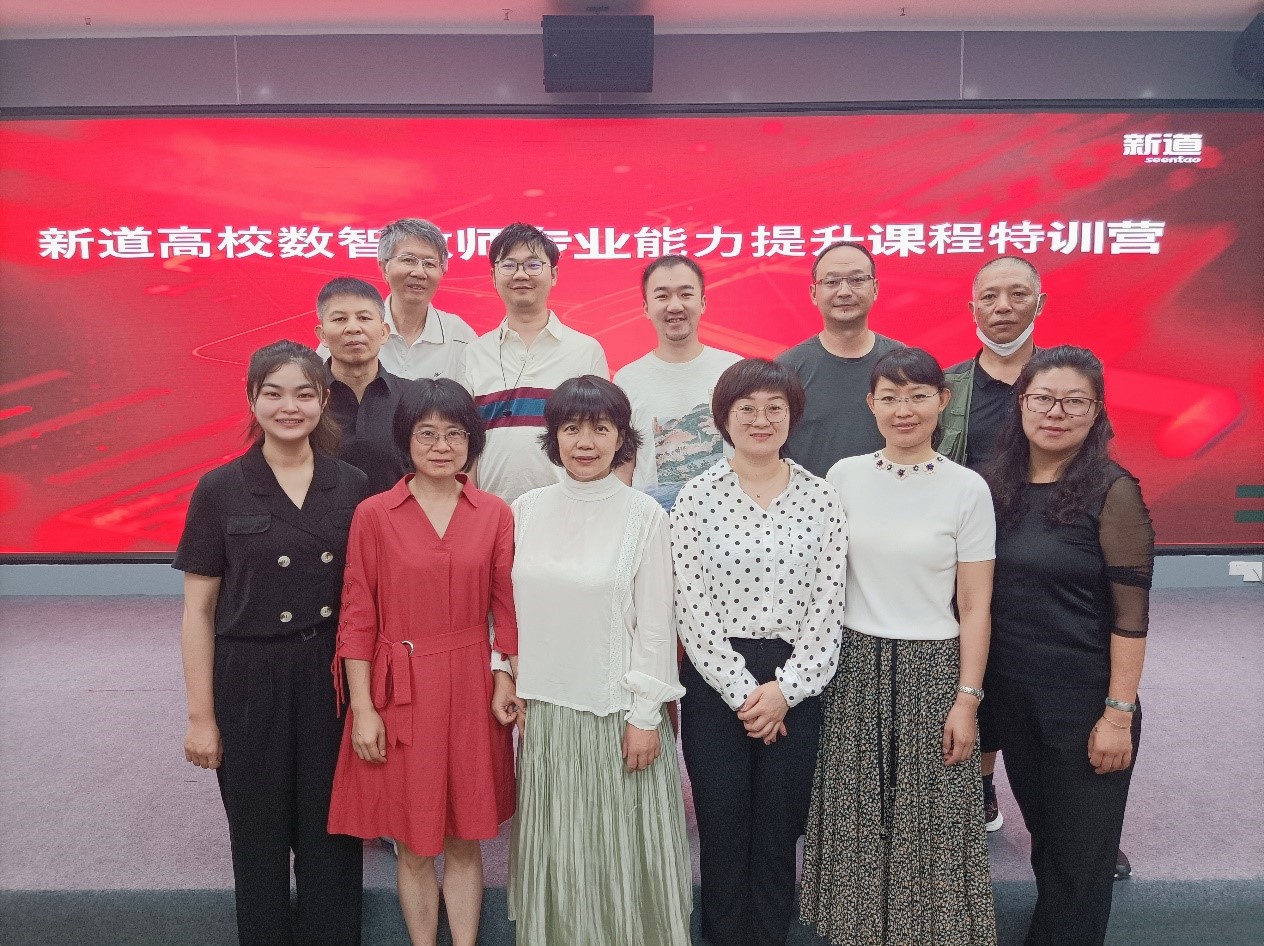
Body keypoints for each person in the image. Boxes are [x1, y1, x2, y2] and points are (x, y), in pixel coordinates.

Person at [800, 346, 997, 946]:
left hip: (933, 668)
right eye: (889, 397)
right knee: (856, 814)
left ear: (944, 401)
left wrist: (967, 700)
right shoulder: (844, 476)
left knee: (931, 820)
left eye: (918, 396)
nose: (903, 409)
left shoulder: (967, 489)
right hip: (853, 665)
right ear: (871, 405)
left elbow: (975, 606)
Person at [175, 340, 367, 946]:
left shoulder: (352, 485)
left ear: (324, 400)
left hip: (328, 677)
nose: (290, 407)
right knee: (256, 838)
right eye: (274, 393)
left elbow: (366, 604)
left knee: (333, 836)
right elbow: (198, 611)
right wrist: (201, 717)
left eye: (304, 394)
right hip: (248, 678)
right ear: (251, 400)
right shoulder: (220, 488)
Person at [502, 375, 691, 946]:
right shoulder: (525, 510)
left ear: (621, 438)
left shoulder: (644, 515)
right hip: (545, 716)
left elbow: (657, 626)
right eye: (572, 429)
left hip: (619, 716)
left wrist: (646, 716)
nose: (585, 442)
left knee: (620, 857)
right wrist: (504, 672)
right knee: (561, 856)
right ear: (553, 437)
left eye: (600, 429)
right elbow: (504, 608)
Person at [327, 380, 517, 946]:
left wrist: (505, 675)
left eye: (455, 434)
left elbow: (507, 606)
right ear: (405, 441)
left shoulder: (494, 513)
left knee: (464, 838)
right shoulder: (374, 514)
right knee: (412, 844)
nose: (441, 446)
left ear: (472, 441)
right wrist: (363, 707)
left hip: (472, 686)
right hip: (400, 690)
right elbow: (357, 615)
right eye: (426, 434)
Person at [671, 358, 847, 946]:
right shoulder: (696, 498)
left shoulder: (822, 498)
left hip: (798, 683)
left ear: (793, 416)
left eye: (775, 408)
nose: (760, 419)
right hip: (716, 681)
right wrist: (747, 693)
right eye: (746, 408)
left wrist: (785, 691)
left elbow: (829, 605)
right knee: (722, 827)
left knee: (779, 829)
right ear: (723, 418)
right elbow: (691, 608)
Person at [982, 345, 1153, 946]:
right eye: (1043, 399)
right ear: (1021, 403)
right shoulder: (996, 486)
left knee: (1081, 864)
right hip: (1014, 697)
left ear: (1096, 410)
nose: (1056, 413)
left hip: (1084, 703)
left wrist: (1118, 714)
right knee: (1049, 846)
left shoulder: (1113, 491)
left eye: (1074, 401)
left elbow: (1131, 618)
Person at [942, 254, 1047, 833]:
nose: (1003, 307)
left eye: (1017, 294)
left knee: (1038, 681)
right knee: (973, 669)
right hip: (965, 558)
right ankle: (978, 785)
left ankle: (1064, 818)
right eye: (989, 296)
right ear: (973, 307)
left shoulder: (1062, 380)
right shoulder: (949, 386)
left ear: (1040, 303)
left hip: (1046, 555)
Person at [463, 223, 609, 503]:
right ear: (493, 276)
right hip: (494, 512)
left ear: (553, 274)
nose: (521, 274)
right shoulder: (474, 353)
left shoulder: (585, 351)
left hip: (568, 510)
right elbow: (466, 446)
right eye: (509, 265)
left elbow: (600, 440)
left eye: (533, 264)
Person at [613, 254, 742, 509]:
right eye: (662, 296)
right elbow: (623, 467)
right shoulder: (627, 380)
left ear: (703, 303)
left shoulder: (734, 370)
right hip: (655, 520)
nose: (674, 306)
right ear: (646, 307)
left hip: (731, 518)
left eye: (685, 294)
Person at [777, 240, 904, 477]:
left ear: (875, 288)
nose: (844, 292)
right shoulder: (787, 369)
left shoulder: (903, 364)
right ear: (814, 293)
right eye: (832, 282)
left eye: (857, 280)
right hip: (808, 499)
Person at [316, 276, 420, 495]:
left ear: (383, 332)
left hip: (396, 516)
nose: (353, 328)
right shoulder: (306, 399)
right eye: (340, 319)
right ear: (322, 335)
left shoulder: (414, 398)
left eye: (364, 318)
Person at [374, 217, 477, 381]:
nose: (419, 273)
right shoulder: (361, 329)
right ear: (383, 267)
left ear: (442, 271)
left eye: (430, 264)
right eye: (408, 260)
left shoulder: (459, 335)